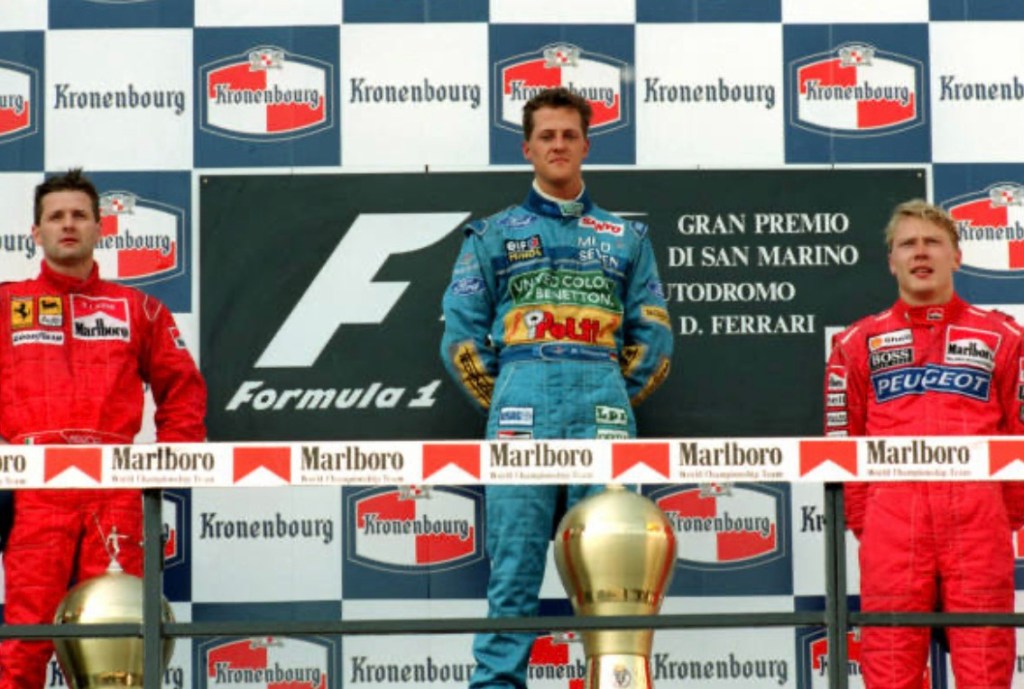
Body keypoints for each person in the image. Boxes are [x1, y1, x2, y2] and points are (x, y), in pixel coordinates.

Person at [440, 87, 673, 689]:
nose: (559, 145)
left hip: (604, 412)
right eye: (547, 135)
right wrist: (512, 397)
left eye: (570, 135)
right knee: (514, 574)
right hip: (520, 413)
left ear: (586, 145)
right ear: (528, 148)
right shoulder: (491, 235)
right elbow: (460, 339)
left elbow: (654, 337)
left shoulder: (626, 237)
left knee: (613, 577)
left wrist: (609, 393)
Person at [0, 169, 207, 689]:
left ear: (100, 228)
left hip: (113, 492)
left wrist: (167, 464)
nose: (68, 225)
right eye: (56, 217)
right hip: (35, 491)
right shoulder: (6, 305)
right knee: (25, 642)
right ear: (36, 232)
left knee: (117, 647)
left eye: (79, 215)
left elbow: (183, 389)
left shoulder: (139, 309)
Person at [825, 199, 1024, 689]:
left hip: (979, 521)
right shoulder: (855, 343)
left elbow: (1019, 432)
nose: (920, 252)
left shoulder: (1003, 336)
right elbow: (842, 441)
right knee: (890, 668)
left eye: (933, 242)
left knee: (985, 669)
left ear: (956, 256)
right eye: (907, 244)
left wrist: (1001, 514)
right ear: (891, 261)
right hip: (892, 522)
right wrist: (870, 518)